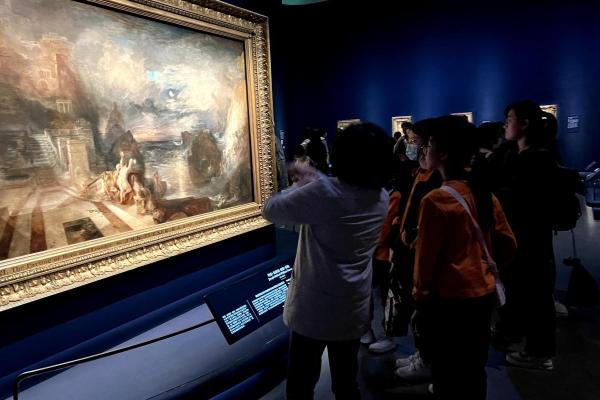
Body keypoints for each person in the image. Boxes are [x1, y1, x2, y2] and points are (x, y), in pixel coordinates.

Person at [262, 122, 393, 400]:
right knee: (346, 383)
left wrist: (303, 184)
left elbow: (270, 210)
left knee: (300, 385)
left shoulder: (325, 193)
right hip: (352, 305)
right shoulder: (381, 196)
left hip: (314, 310)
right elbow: (338, 197)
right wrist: (316, 180)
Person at [413, 115, 516, 399]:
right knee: (473, 368)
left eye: (429, 143)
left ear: (444, 153)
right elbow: (508, 244)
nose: (424, 149)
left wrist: (420, 298)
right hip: (482, 296)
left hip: (449, 301)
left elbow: (425, 262)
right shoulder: (484, 194)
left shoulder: (436, 200)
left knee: (447, 370)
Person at [494, 100, 560, 370]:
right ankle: (519, 336)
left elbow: (523, 200)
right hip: (519, 237)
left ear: (525, 123)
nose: (506, 124)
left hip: (532, 238)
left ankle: (540, 353)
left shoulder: (538, 158)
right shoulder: (517, 154)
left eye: (510, 119)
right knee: (522, 289)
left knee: (537, 293)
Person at [387, 119, 442, 381]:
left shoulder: (437, 180)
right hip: (410, 251)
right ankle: (424, 354)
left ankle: (429, 361)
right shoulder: (419, 173)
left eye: (416, 141)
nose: (412, 146)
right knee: (418, 309)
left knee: (427, 311)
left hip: (422, 254)